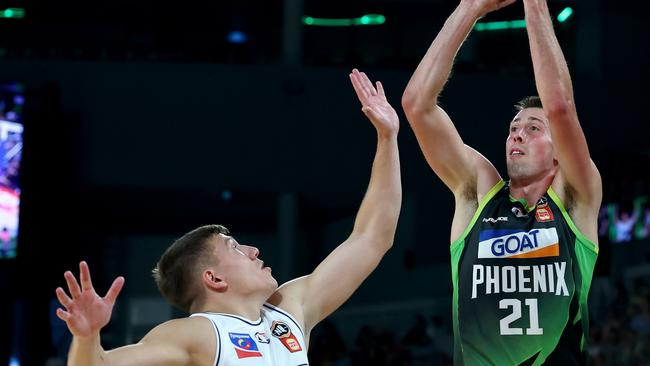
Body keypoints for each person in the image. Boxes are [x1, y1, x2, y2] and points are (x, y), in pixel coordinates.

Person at [55, 68, 402, 366]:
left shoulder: (291, 310)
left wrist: (388, 139)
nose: (253, 250)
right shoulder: (196, 333)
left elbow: (373, 237)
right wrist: (87, 337)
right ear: (214, 278)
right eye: (234, 247)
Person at [401, 0, 602, 364]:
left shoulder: (574, 197)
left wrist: (535, 5)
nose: (517, 136)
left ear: (560, 153)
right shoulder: (477, 193)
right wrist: (469, 8)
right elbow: (417, 105)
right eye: (513, 129)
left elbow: (559, 107)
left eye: (533, 128)